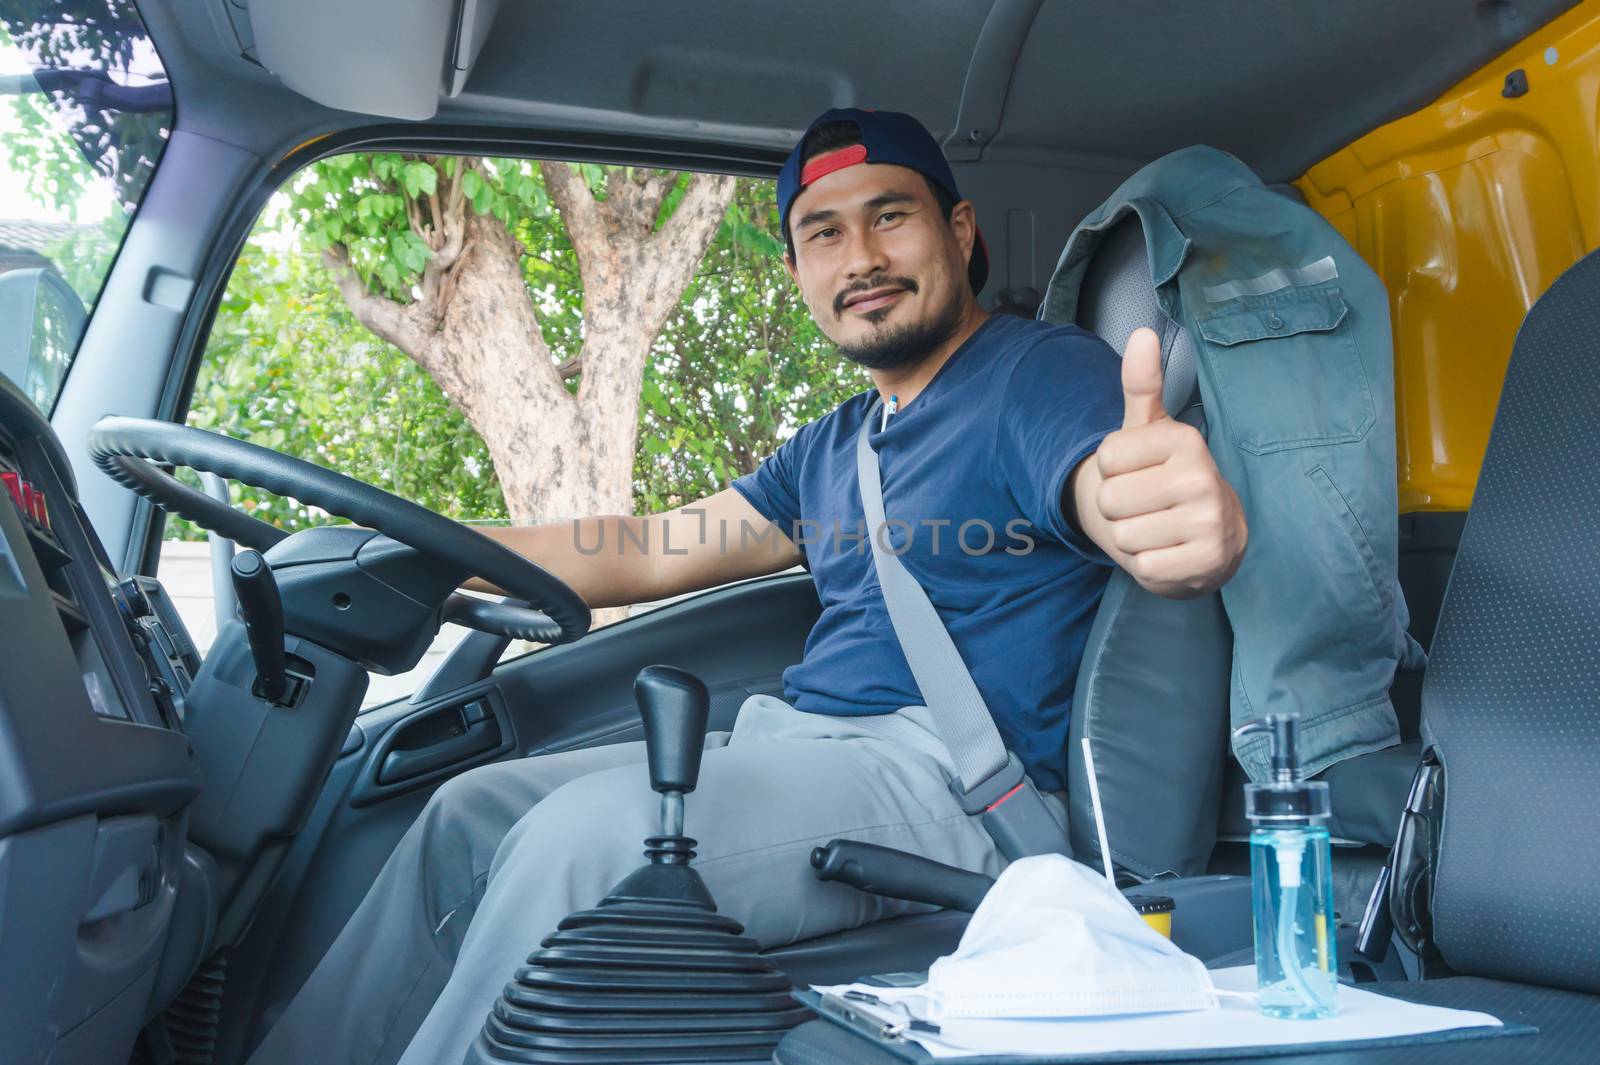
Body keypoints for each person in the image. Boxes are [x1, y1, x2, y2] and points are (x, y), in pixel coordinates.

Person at [246, 108, 1247, 1065]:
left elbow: (1114, 484)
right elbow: (643, 548)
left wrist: (1165, 521)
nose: (859, 257)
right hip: (793, 750)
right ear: (798, 269)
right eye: (822, 233)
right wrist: (423, 547)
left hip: (953, 785)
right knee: (466, 812)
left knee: (583, 846)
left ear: (958, 230)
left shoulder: (1037, 375)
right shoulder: (833, 446)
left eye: (889, 216)